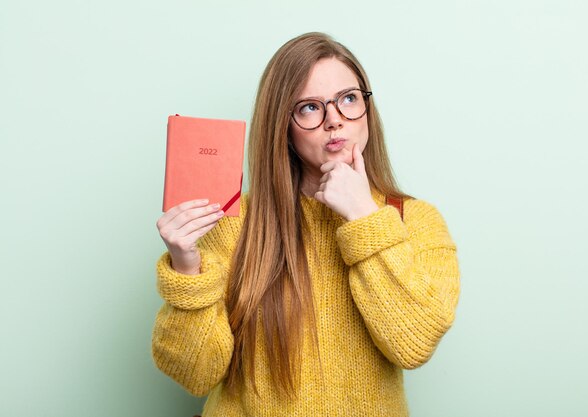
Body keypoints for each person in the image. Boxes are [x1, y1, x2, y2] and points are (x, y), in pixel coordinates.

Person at [152, 32, 460, 416]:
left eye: (349, 99)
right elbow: (195, 374)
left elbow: (413, 342)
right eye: (311, 107)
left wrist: (363, 216)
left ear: (368, 109)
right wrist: (186, 269)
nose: (335, 120)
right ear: (283, 125)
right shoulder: (234, 224)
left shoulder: (414, 219)